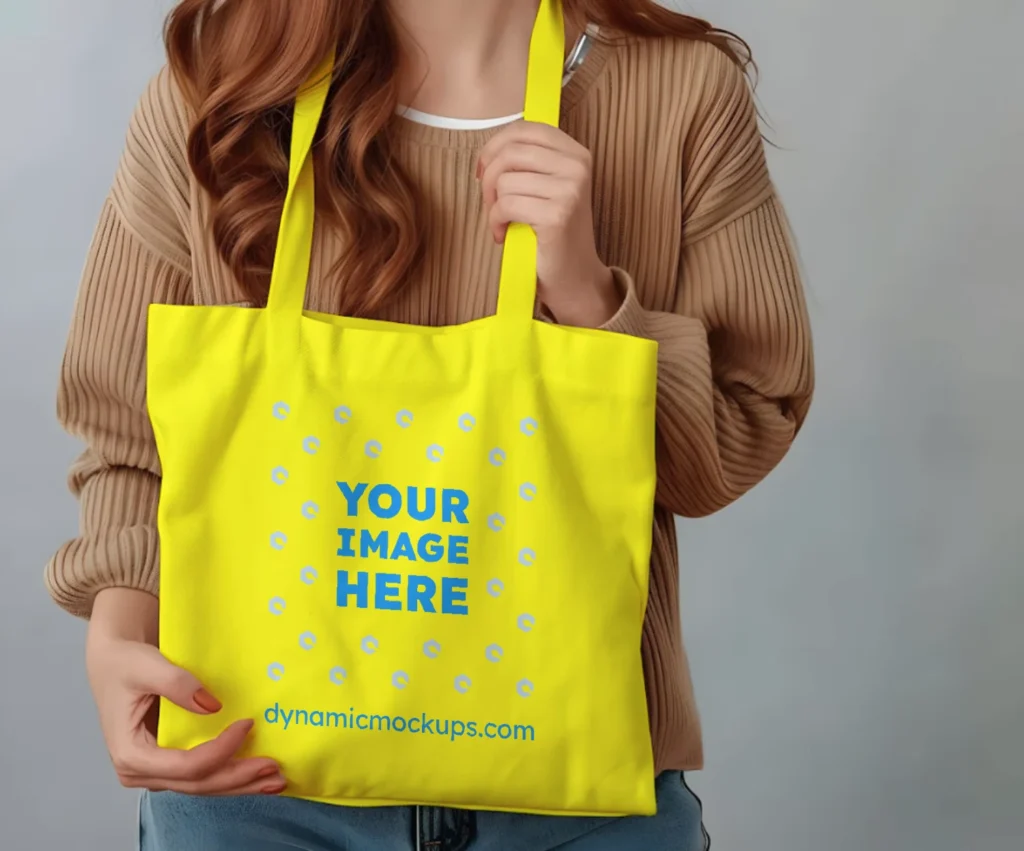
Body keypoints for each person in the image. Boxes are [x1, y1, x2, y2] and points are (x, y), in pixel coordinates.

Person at [47, 0, 813, 848]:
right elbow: (127, 437)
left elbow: (736, 437)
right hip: (252, 785)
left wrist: (593, 300)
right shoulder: (220, 95)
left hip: (578, 803)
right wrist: (117, 632)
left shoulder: (681, 94)